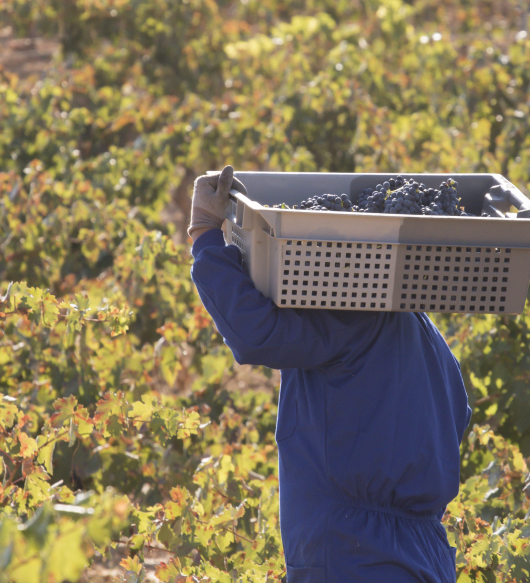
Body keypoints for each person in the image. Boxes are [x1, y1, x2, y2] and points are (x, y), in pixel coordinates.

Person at [188, 166, 472, 583]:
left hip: (354, 553)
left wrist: (206, 236)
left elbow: (256, 332)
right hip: (426, 554)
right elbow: (455, 422)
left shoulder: (350, 316)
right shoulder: (429, 338)